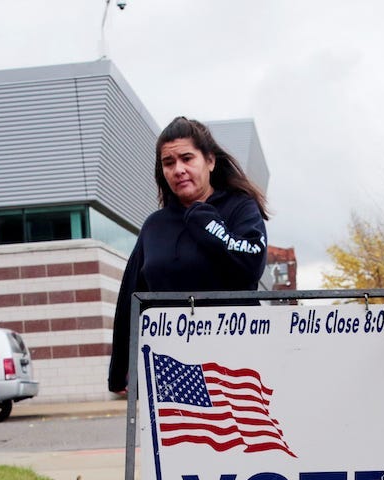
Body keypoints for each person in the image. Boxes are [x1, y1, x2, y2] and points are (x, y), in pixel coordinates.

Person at [107, 116, 269, 395]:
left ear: (210, 161)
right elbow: (131, 297)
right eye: (169, 163)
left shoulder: (240, 208)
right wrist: (120, 368)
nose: (178, 169)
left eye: (186, 158)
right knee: (183, 438)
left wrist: (204, 220)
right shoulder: (154, 226)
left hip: (237, 362)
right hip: (173, 365)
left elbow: (251, 264)